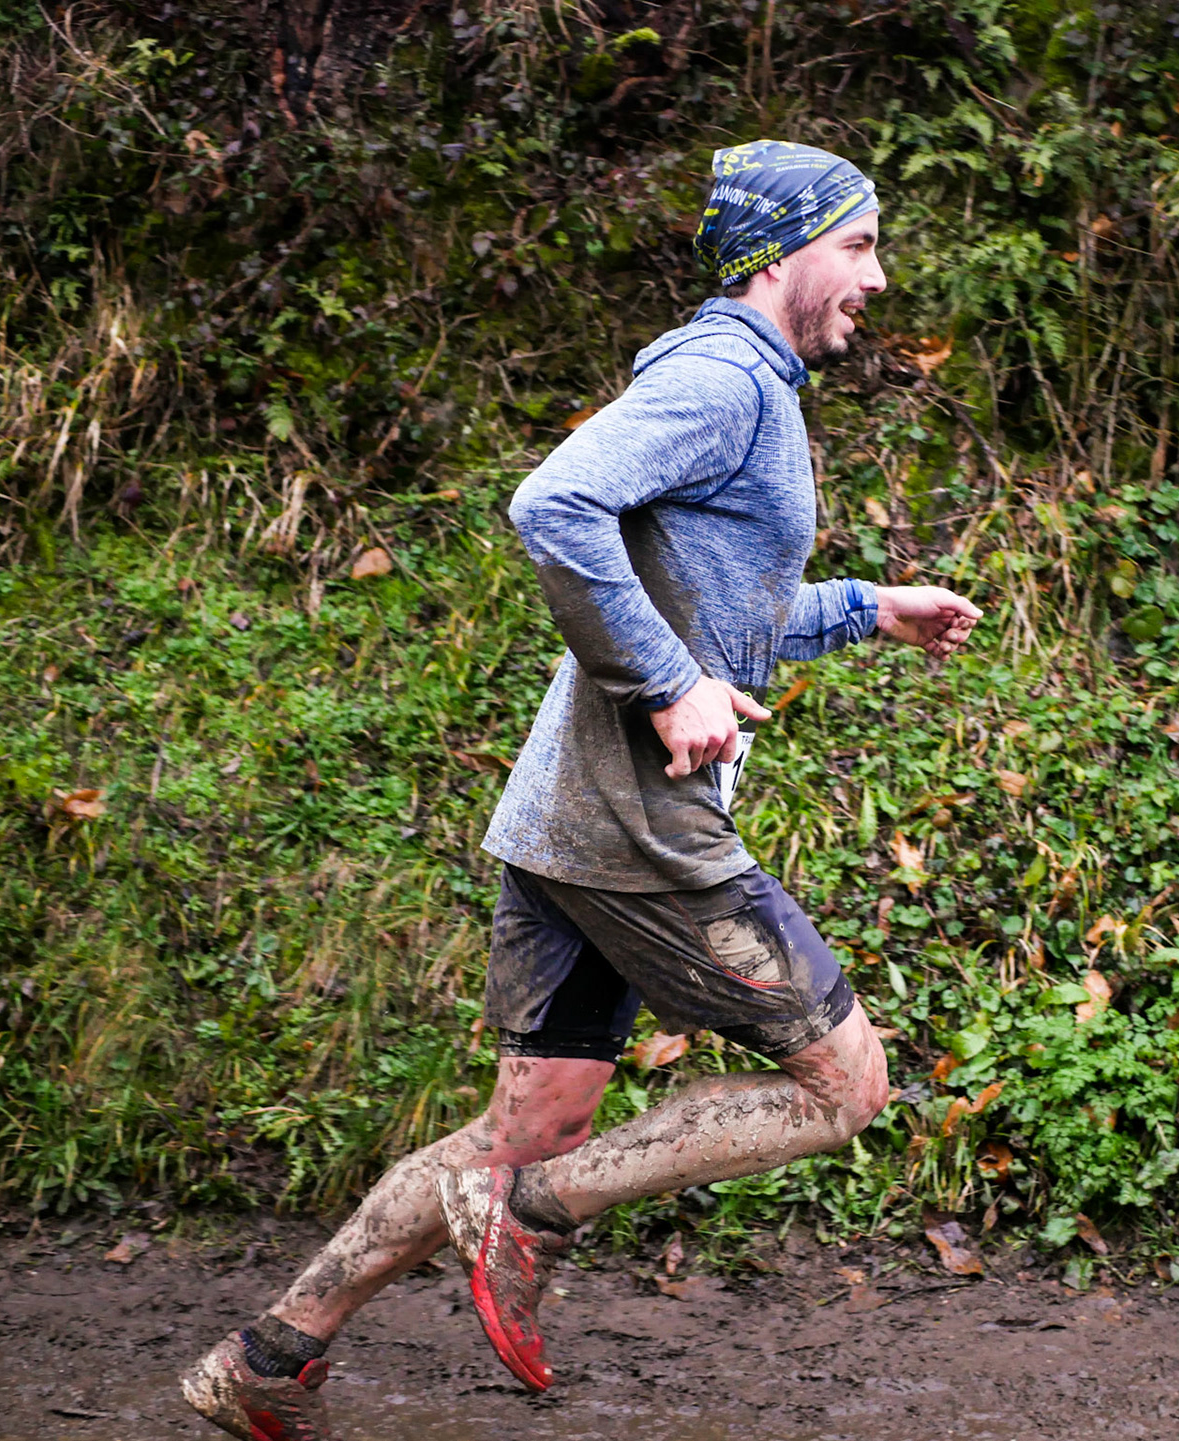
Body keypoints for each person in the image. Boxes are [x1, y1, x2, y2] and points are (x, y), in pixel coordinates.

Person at [181, 138, 984, 1441]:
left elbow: (722, 609)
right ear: (779, 254)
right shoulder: (726, 379)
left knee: (525, 1127)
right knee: (844, 1086)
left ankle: (270, 1354)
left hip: (568, 819)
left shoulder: (745, 386)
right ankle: (530, 1215)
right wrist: (670, 687)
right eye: (859, 245)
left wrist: (868, 609)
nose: (879, 278)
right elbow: (554, 504)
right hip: (638, 828)